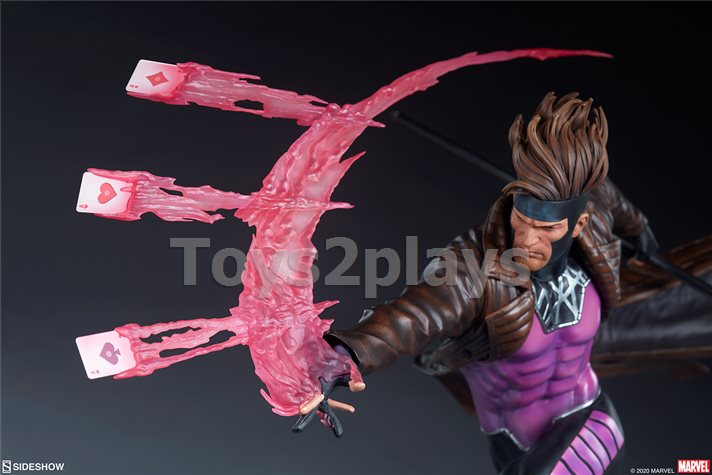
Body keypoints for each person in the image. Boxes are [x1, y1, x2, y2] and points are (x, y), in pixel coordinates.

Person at [317, 91, 710, 474]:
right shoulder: (476, 264)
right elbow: (412, 316)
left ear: (579, 225)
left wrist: (639, 230)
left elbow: (606, 196)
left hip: (592, 424)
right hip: (509, 441)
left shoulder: (595, 222)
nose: (527, 240)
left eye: (547, 229)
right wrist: (339, 358)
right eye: (522, 220)